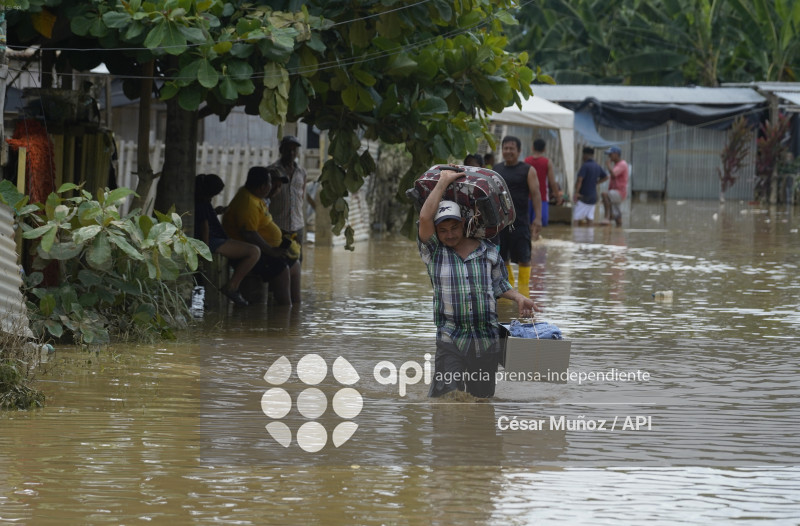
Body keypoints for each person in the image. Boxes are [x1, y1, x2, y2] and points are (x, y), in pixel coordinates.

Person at [418, 169, 537, 398]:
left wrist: (520, 297)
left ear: (464, 223)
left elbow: (500, 285)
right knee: (446, 401)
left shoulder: (489, 252)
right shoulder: (434, 253)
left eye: (454, 228)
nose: (449, 234)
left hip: (486, 342)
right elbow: (424, 218)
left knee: (481, 403)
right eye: (442, 230)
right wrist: (443, 181)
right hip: (451, 339)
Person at [222, 166, 299, 306]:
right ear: (263, 186)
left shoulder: (256, 198)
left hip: (263, 249)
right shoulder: (247, 202)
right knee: (281, 268)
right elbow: (249, 233)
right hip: (249, 251)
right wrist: (271, 251)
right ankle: (285, 310)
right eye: (270, 183)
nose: (272, 187)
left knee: (294, 264)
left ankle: (294, 310)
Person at [194, 174, 261, 306]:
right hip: (211, 241)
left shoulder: (202, 201)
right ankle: (232, 287)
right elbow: (204, 227)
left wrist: (216, 212)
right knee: (254, 252)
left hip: (212, 239)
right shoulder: (201, 203)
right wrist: (205, 250)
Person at [491, 136, 542, 298]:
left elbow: (536, 195)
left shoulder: (528, 170)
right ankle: (509, 292)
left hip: (520, 222)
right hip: (500, 224)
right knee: (502, 258)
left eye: (511, 148)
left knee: (524, 258)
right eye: (505, 148)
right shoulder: (496, 169)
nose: (508, 151)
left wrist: (538, 218)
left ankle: (525, 291)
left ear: (519, 151)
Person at [267, 135, 307, 304]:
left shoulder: (302, 172)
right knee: (278, 263)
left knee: (297, 261)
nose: (291, 152)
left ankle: (291, 297)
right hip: (278, 225)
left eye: (294, 149)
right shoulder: (272, 171)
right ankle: (274, 298)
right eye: (288, 149)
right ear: (281, 150)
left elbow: (301, 195)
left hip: (297, 225)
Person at [524, 138, 563, 227]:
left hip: (527, 197)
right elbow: (552, 182)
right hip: (542, 198)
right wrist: (558, 197)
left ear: (532, 148)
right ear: (544, 149)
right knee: (539, 225)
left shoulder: (526, 161)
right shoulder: (547, 162)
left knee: (527, 225)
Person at [572, 147, 605, 225]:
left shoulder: (585, 166)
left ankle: (574, 236)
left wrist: (576, 193)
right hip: (593, 197)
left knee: (575, 219)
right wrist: (597, 182)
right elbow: (606, 177)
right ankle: (590, 236)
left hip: (583, 196)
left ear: (585, 155)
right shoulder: (597, 166)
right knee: (590, 218)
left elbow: (580, 180)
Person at [599, 146, 629, 226]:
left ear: (616, 154)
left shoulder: (622, 164)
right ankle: (618, 233)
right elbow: (611, 181)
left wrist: (608, 165)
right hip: (616, 192)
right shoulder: (617, 165)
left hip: (619, 192)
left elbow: (613, 174)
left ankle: (607, 217)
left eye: (610, 154)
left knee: (604, 194)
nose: (609, 156)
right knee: (618, 218)